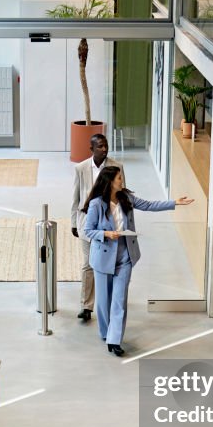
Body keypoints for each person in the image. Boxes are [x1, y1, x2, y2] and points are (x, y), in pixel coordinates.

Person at [83, 166, 193, 356]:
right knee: (103, 301)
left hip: (125, 257)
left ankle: (114, 339)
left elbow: (149, 205)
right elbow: (88, 230)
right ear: (109, 181)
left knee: (119, 300)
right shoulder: (96, 204)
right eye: (118, 178)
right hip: (103, 258)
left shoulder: (126, 197)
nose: (121, 181)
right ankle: (105, 332)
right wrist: (106, 233)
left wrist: (174, 202)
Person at [70, 134, 124, 323]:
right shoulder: (81, 168)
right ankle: (86, 306)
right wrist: (73, 223)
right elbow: (75, 197)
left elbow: (122, 194)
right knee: (88, 265)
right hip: (87, 224)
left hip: (108, 226)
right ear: (91, 149)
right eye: (100, 146)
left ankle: (107, 302)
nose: (104, 149)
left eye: (105, 145)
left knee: (107, 265)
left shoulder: (116, 167)